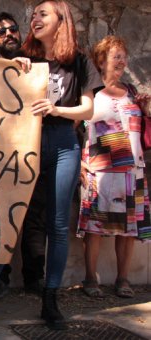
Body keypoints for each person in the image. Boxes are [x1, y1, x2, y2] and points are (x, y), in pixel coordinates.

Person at [0, 1, 102, 330]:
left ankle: (50, 300)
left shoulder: (80, 61)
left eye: (42, 14)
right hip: (24, 142)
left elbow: (87, 109)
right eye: (34, 15)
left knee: (57, 225)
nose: (34, 19)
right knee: (7, 219)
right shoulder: (23, 57)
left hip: (64, 142)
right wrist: (13, 68)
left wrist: (55, 109)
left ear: (60, 21)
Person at [78, 35, 151, 298]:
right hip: (99, 170)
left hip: (132, 171)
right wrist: (79, 164)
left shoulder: (132, 91)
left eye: (123, 56)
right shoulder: (91, 94)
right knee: (94, 229)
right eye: (116, 56)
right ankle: (90, 278)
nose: (122, 61)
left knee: (129, 229)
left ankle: (123, 279)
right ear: (101, 60)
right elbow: (75, 129)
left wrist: (145, 108)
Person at [0, 11, 47, 299]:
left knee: (35, 217)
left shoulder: (36, 68)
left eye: (12, 29)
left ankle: (35, 278)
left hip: (32, 152)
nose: (8, 34)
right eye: (1, 31)